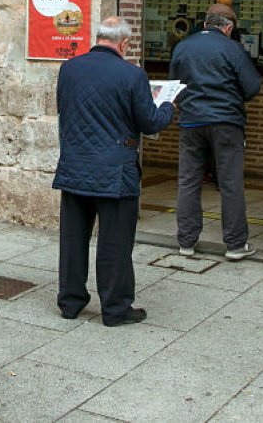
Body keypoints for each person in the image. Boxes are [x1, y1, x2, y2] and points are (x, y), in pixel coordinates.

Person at [52, 17, 174, 327]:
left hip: (75, 166)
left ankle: (70, 302)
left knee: (73, 239)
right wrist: (169, 106)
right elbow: (150, 122)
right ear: (123, 44)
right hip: (115, 171)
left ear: (99, 38)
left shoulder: (69, 69)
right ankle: (116, 308)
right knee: (115, 243)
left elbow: (64, 110)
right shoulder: (132, 75)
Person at [169, 3, 262, 260]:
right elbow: (252, 87)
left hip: (190, 122)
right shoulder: (233, 48)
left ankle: (186, 242)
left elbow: (173, 84)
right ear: (228, 27)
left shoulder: (183, 46)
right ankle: (235, 245)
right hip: (226, 123)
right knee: (230, 182)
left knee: (188, 180)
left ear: (205, 24)